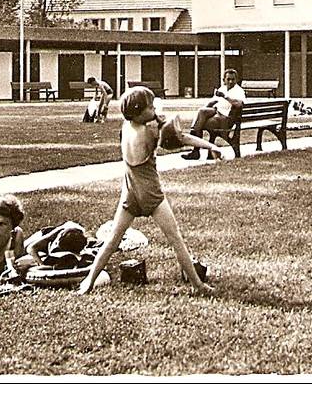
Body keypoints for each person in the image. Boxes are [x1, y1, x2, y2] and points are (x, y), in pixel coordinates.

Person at [77, 86, 217, 296]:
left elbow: (151, 113)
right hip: (150, 191)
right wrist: (211, 147)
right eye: (149, 107)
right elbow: (183, 138)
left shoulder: (127, 126)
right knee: (175, 238)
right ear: (140, 112)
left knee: (113, 240)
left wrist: (155, 112)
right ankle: (198, 285)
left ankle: (88, 282)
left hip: (130, 190)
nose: (154, 109)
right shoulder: (150, 131)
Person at [182, 69, 246, 160]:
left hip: (226, 119)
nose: (230, 81)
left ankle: (195, 149)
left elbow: (239, 104)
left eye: (233, 79)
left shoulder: (239, 91)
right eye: (228, 79)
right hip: (217, 112)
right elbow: (214, 100)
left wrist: (225, 96)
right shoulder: (222, 88)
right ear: (224, 79)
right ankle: (195, 131)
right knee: (201, 111)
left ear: (237, 80)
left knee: (201, 125)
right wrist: (206, 107)